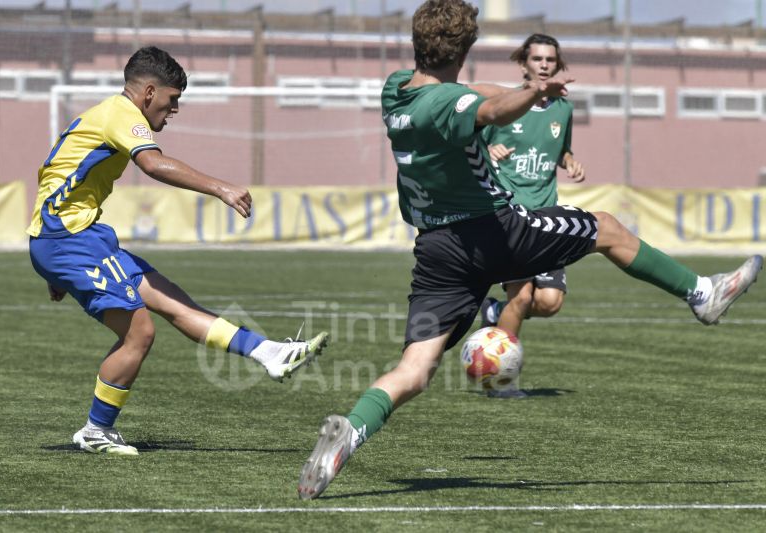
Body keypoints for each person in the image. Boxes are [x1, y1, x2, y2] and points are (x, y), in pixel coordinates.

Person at [296, 0, 761, 500]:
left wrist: (527, 91)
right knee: (606, 226)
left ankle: (352, 431)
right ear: (467, 49)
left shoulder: (396, 90)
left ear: (416, 44)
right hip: (494, 230)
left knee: (415, 368)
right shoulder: (449, 105)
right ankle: (700, 293)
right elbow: (489, 108)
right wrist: (530, 94)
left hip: (437, 250)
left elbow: (481, 95)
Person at [27, 47, 328, 456]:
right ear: (149, 92)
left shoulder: (107, 114)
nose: (175, 110)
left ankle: (267, 352)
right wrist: (221, 187)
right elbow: (152, 165)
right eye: (172, 100)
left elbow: (51, 172)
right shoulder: (121, 114)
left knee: (169, 297)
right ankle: (96, 430)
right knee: (140, 332)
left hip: (77, 238)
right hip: (67, 240)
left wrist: (54, 268)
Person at [477, 33, 585, 398]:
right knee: (521, 299)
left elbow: (560, 149)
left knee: (549, 303)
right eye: (536, 59)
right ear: (523, 64)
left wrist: (569, 161)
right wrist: (489, 149)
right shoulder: (504, 103)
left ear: (558, 66)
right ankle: (500, 381)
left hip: (548, 216)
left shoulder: (563, 109)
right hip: (511, 214)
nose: (543, 65)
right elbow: (471, 141)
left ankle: (493, 314)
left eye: (549, 60)